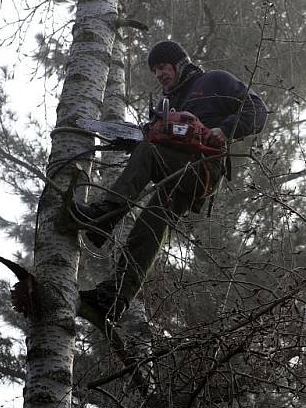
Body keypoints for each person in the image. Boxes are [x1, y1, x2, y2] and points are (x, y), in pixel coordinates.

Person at [72, 40, 268, 322]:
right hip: (174, 173)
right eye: (154, 71)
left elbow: (257, 109)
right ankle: (115, 297)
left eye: (162, 67)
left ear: (178, 64)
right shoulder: (168, 105)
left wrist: (225, 130)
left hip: (203, 170)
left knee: (149, 152)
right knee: (149, 226)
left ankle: (104, 217)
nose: (159, 75)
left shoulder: (214, 80)